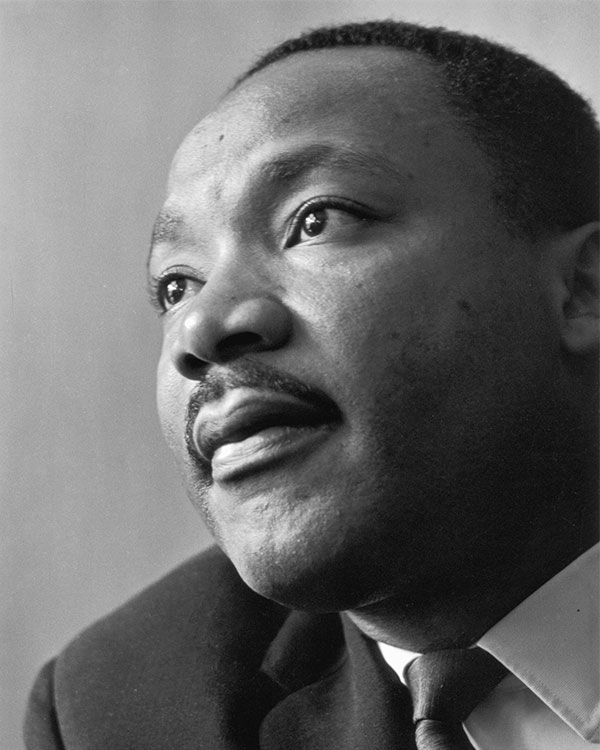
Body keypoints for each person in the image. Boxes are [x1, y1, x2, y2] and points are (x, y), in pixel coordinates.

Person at [24, 19, 598, 750]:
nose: (202, 329)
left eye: (315, 220)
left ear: (582, 288)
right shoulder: (118, 706)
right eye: (175, 285)